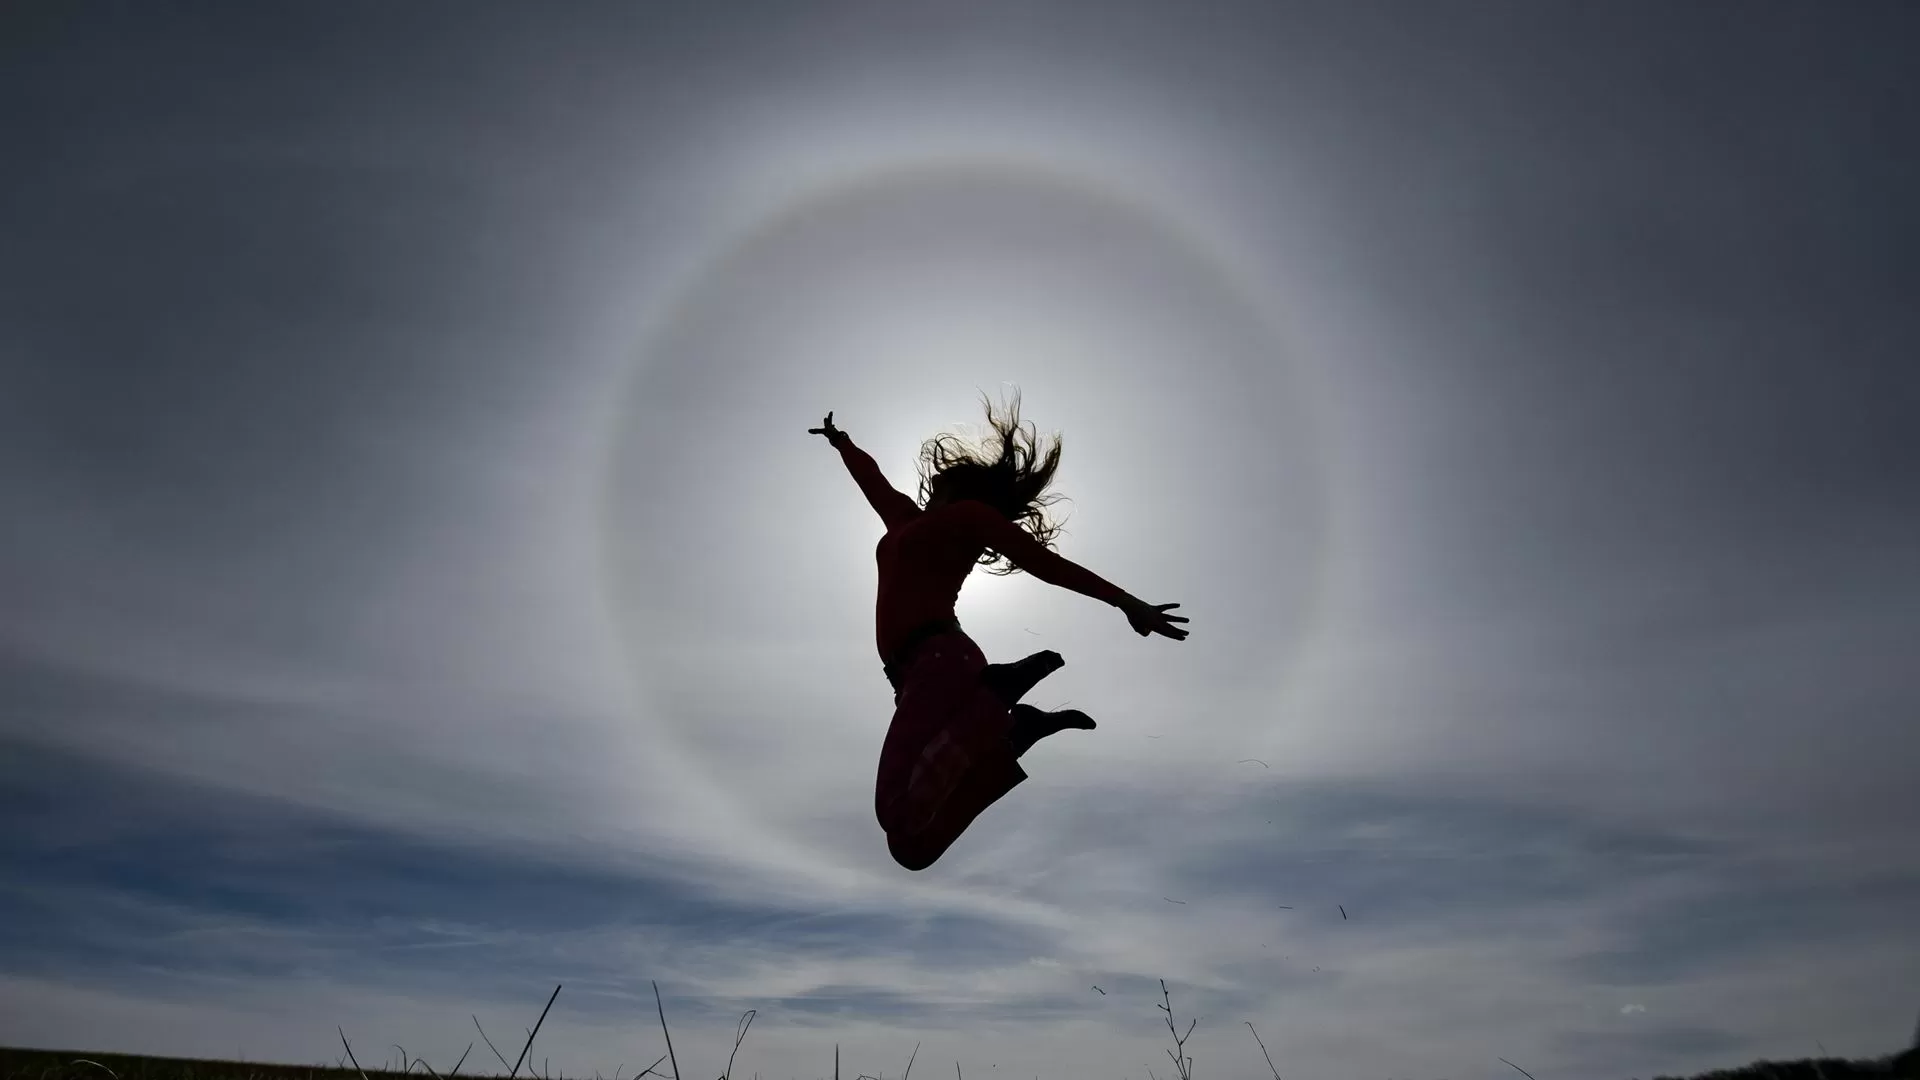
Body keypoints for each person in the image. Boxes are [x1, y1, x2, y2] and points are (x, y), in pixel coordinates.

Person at [810, 392, 1189, 871]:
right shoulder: (906, 519)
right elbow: (874, 482)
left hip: (941, 660)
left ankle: (996, 697)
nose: (932, 481)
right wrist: (842, 443)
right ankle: (1015, 733)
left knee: (894, 811)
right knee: (911, 848)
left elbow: (1046, 565)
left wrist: (1126, 602)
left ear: (959, 484)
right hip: (913, 677)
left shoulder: (969, 517)